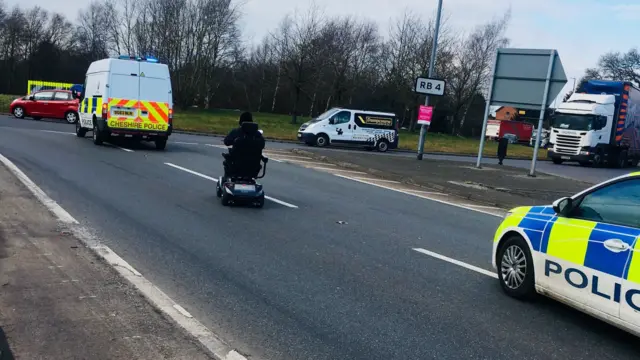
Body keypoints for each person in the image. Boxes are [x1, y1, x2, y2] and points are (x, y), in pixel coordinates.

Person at [222, 112, 265, 180]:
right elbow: (262, 145)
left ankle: (226, 179)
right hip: (253, 167)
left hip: (235, 166)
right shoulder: (258, 135)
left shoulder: (236, 132)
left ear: (240, 122)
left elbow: (226, 142)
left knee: (227, 161)